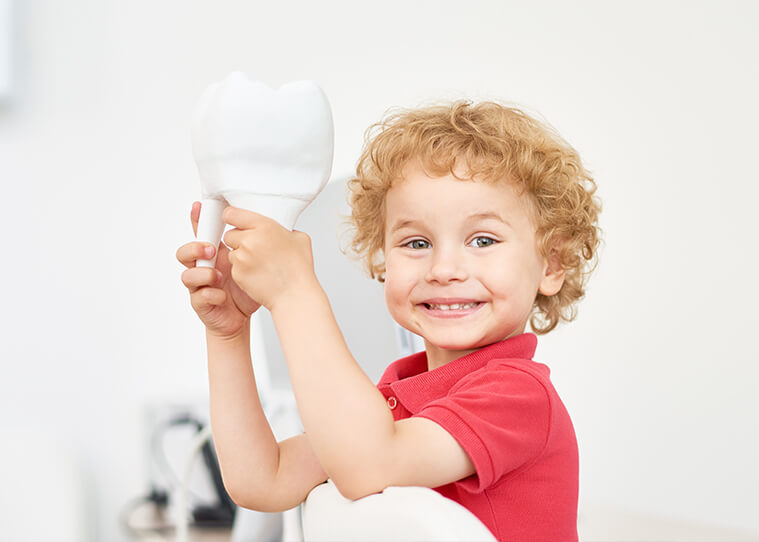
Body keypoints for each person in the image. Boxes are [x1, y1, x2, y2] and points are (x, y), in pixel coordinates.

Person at [176, 100, 601, 541]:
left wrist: (294, 293)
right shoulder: (393, 402)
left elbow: (370, 464)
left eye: (483, 239)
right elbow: (264, 478)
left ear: (552, 264)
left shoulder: (519, 395)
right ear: (382, 258)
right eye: (416, 243)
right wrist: (227, 333)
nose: (444, 268)